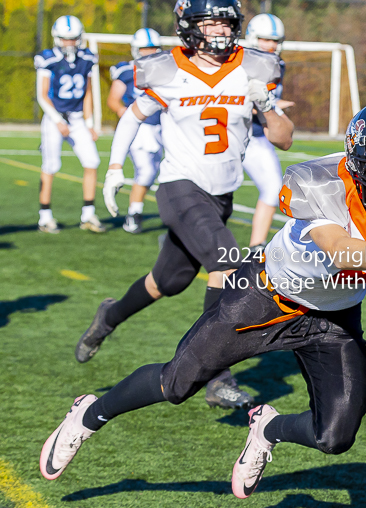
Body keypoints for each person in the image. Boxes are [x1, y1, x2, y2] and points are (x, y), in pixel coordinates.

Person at [39, 101, 366, 503]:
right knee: (175, 383)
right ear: (358, 164)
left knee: (335, 437)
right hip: (266, 297)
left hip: (334, 317)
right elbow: (341, 250)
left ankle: (268, 429)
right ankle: (88, 415)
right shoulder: (320, 181)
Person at [80, 0, 293, 411]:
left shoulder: (253, 67)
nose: (217, 31)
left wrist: (265, 105)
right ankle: (218, 375)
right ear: (188, 26)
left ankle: (109, 316)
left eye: (224, 22)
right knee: (227, 262)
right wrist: (114, 167)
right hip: (179, 186)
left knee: (168, 282)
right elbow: (131, 116)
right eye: (208, 22)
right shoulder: (168, 68)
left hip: (221, 195)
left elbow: (283, 138)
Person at [34, 15, 105, 234]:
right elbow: (42, 95)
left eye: (73, 39)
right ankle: (44, 216)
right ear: (57, 38)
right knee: (51, 166)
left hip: (76, 119)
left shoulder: (87, 58)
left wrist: (90, 122)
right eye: (65, 39)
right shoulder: (48, 59)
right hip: (54, 117)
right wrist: (57, 120)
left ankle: (88, 214)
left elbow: (88, 93)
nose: (69, 43)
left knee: (92, 161)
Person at [243, 13, 295, 250]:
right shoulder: (239, 61)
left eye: (275, 40)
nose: (271, 45)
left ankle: (257, 246)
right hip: (230, 135)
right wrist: (269, 107)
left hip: (256, 137)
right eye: (265, 39)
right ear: (252, 37)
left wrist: (270, 109)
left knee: (274, 188)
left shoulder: (277, 64)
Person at [107, 28, 164, 234]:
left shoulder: (167, 71)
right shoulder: (126, 71)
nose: (149, 53)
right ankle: (133, 214)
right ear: (135, 50)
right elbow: (113, 100)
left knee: (157, 171)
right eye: (144, 49)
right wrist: (128, 116)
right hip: (139, 129)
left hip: (162, 128)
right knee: (146, 171)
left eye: (152, 49)